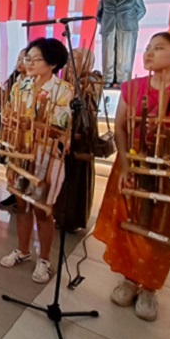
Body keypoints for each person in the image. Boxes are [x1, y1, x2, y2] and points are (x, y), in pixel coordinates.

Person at [93, 32, 170, 321]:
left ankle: (150, 286)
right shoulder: (132, 87)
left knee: (164, 227)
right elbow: (121, 129)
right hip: (134, 164)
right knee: (131, 220)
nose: (148, 53)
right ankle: (129, 278)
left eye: (158, 48)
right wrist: (125, 165)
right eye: (147, 47)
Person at [0, 37, 73, 284]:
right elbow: (9, 114)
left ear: (52, 63)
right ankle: (22, 250)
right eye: (27, 57)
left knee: (42, 210)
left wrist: (30, 124)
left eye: (35, 58)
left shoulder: (62, 89)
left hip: (46, 155)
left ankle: (44, 260)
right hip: (20, 151)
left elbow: (59, 126)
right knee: (22, 205)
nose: (28, 62)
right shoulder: (21, 86)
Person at [54, 48, 103, 232]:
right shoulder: (62, 83)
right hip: (63, 132)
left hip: (82, 134)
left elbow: (88, 105)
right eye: (70, 58)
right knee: (61, 175)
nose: (71, 62)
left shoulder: (92, 81)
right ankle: (59, 214)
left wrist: (77, 88)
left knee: (76, 178)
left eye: (77, 58)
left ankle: (73, 219)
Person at [0, 48, 28, 211]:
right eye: (19, 58)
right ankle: (14, 193)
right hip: (12, 129)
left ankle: (22, 197)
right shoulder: (15, 83)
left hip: (27, 132)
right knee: (11, 164)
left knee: (24, 165)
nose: (19, 61)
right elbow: (7, 104)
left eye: (23, 59)